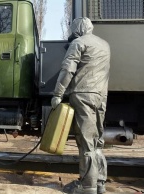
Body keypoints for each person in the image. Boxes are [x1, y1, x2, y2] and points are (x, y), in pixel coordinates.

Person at [51, 17, 110, 194]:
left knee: (85, 141)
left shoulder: (78, 43)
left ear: (77, 28)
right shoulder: (104, 45)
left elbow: (68, 70)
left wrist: (57, 94)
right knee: (97, 142)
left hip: (83, 95)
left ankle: (87, 186)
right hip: (101, 96)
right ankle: (100, 183)